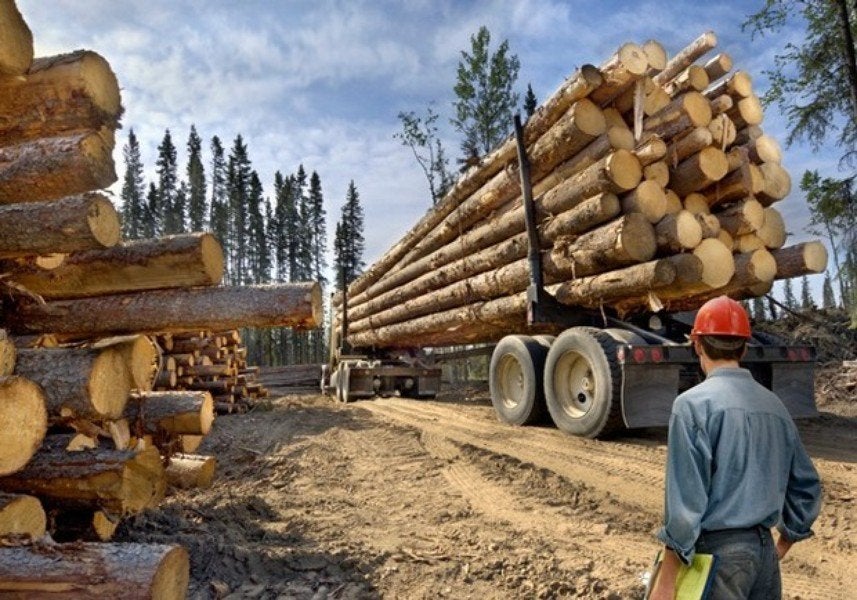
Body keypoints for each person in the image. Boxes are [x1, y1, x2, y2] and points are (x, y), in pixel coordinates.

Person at [649, 295, 822, 600]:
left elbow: (686, 504)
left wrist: (666, 578)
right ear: (744, 347)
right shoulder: (775, 405)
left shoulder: (691, 405)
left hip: (718, 557)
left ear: (698, 344)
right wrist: (782, 543)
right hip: (765, 555)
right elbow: (806, 486)